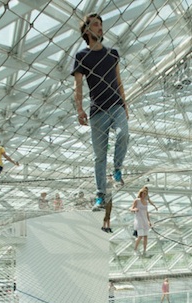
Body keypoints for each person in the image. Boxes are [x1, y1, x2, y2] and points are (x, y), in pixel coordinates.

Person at [72, 13, 129, 211]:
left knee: (123, 134)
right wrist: (79, 109)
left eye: (101, 24)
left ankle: (118, 170)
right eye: (95, 25)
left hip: (116, 105)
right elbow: (78, 85)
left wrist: (125, 105)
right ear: (87, 30)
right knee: (99, 157)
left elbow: (119, 81)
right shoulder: (82, 56)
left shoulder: (112, 54)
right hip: (97, 111)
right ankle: (100, 196)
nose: (100, 27)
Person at [130, 187, 151, 256]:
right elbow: (131, 209)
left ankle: (144, 251)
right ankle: (135, 250)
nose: (144, 195)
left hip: (145, 221)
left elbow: (146, 212)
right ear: (140, 193)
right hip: (139, 220)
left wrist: (149, 221)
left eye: (145, 194)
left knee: (146, 236)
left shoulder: (146, 202)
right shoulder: (137, 200)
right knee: (140, 236)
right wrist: (135, 209)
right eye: (143, 193)